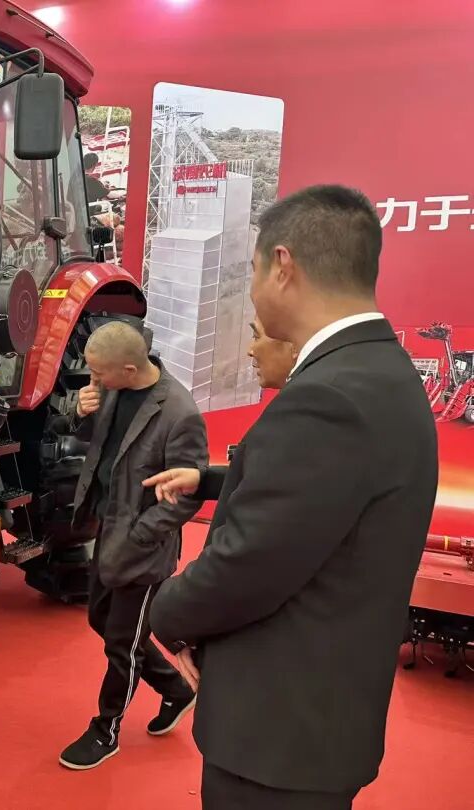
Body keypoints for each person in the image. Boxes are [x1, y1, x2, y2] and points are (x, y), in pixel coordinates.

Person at [143, 185, 438, 809]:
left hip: (277, 737)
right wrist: (213, 480)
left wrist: (163, 613)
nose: (250, 293)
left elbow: (248, 564)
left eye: (251, 272)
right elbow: (317, 504)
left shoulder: (329, 396)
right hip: (317, 719)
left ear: (282, 266)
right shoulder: (380, 370)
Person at [58, 320, 208, 771]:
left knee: (121, 646)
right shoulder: (112, 388)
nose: (93, 379)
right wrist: (77, 411)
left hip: (144, 548)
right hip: (108, 529)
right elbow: (93, 440)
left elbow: (188, 495)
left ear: (128, 368)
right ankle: (176, 689)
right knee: (101, 620)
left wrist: (142, 532)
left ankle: (106, 730)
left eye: (98, 372)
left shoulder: (180, 413)